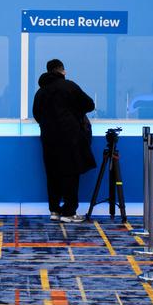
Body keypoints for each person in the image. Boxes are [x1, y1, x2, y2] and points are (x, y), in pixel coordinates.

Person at [33, 59, 96, 223]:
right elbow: (89, 105)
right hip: (70, 137)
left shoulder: (41, 92)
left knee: (52, 173)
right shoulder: (69, 86)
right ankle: (69, 212)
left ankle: (54, 210)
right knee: (70, 173)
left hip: (48, 138)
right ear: (62, 71)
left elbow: (37, 115)